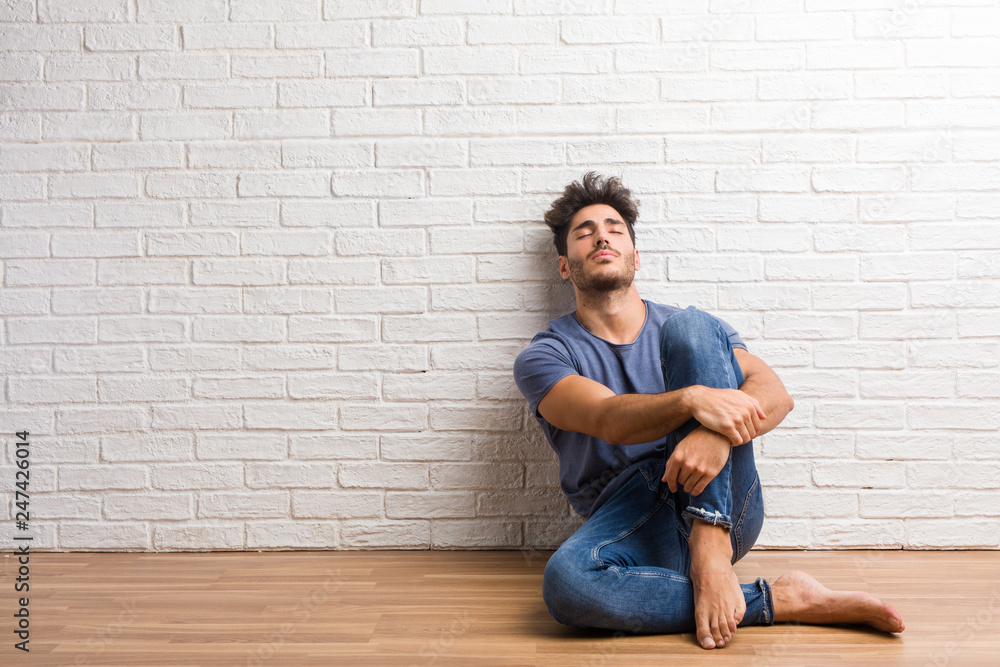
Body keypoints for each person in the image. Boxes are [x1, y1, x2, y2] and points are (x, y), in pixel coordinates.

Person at [512, 172, 905, 650]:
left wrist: (713, 435)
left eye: (615, 229)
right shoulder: (545, 355)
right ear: (564, 266)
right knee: (568, 586)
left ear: (635, 256)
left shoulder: (691, 334)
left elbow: (775, 394)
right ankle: (783, 600)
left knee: (693, 326)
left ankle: (710, 542)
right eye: (585, 231)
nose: (601, 236)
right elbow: (606, 418)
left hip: (726, 493)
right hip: (631, 520)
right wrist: (692, 401)